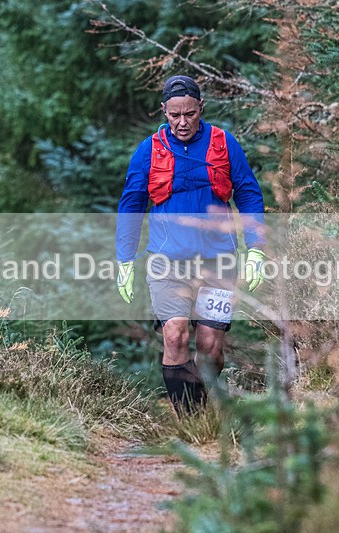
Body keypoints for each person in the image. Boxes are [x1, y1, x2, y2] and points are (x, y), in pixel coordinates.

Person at [115, 75, 266, 416]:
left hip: (219, 260)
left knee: (210, 346)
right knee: (174, 336)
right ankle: (190, 418)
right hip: (167, 262)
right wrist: (124, 260)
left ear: (201, 108)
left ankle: (205, 405)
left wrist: (255, 248)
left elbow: (249, 195)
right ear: (164, 111)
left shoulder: (223, 143)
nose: (182, 122)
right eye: (174, 115)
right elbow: (131, 205)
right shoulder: (149, 150)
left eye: (189, 114)